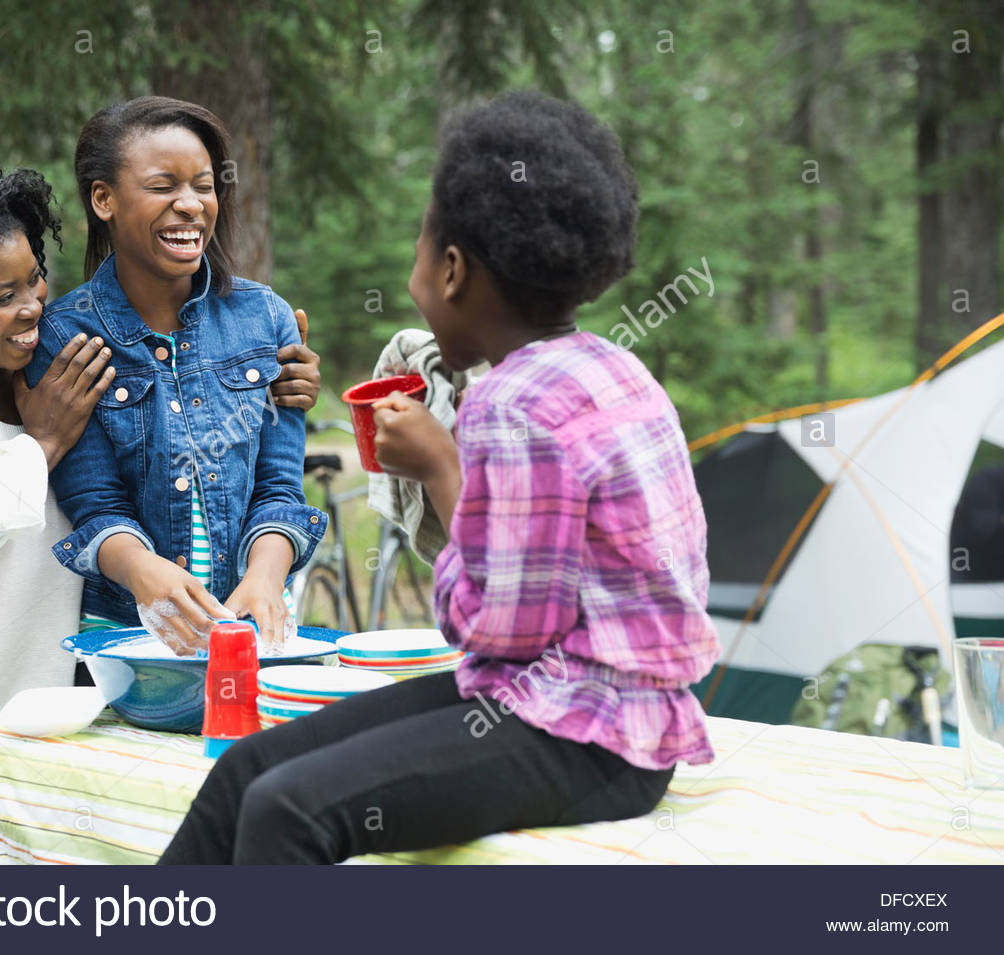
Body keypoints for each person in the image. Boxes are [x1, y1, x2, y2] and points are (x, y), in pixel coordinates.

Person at [158, 91, 722, 865]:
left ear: (452, 269)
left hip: (593, 734)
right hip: (569, 703)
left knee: (285, 808)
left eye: (421, 243)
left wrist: (441, 466)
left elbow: (501, 629)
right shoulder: (611, 367)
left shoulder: (513, 406)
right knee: (245, 769)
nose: (415, 267)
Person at [0, 160, 321, 861]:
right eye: (2, 296)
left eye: (34, 280)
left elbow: (169, 449)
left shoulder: (58, 360)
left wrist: (273, 376)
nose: (32, 306)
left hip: (39, 717)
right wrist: (41, 440)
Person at [25, 97, 328, 656]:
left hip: (254, 630)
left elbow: (280, 488)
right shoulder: (65, 337)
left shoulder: (266, 319)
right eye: (163, 186)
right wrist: (144, 572)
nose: (190, 205)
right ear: (104, 199)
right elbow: (94, 506)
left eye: (204, 186)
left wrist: (263, 578)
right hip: (127, 638)